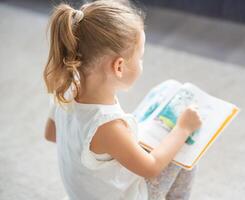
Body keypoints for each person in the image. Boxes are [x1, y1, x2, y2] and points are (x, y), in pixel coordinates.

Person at [43, 0, 202, 199]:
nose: (141, 63)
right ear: (118, 67)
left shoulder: (66, 87)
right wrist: (183, 128)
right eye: (140, 58)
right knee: (186, 152)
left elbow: (51, 134)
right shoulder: (107, 126)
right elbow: (151, 168)